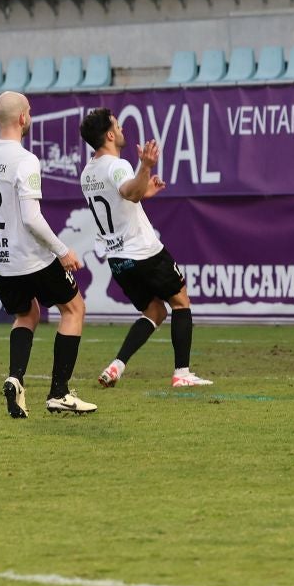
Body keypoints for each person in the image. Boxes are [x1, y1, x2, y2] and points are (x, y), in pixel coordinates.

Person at [0, 91, 95, 418]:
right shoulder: (25, 159)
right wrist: (62, 251)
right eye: (29, 111)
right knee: (74, 309)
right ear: (22, 118)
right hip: (31, 257)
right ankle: (59, 393)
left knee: (26, 315)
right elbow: (31, 218)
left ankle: (15, 379)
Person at [77, 107, 212, 388]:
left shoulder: (88, 172)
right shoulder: (118, 165)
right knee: (180, 301)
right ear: (110, 134)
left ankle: (116, 366)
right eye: (117, 124)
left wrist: (145, 187)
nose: (122, 128)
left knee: (155, 311)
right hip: (143, 251)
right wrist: (145, 167)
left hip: (116, 258)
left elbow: (126, 198)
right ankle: (182, 374)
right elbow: (129, 192)